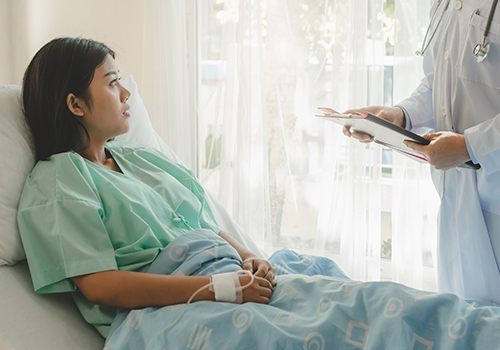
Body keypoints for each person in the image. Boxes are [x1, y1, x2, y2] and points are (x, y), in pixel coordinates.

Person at [17, 37, 275, 338]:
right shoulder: (60, 180)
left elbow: (202, 224)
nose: (126, 93)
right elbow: (100, 285)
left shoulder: (143, 157)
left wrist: (248, 256)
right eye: (113, 83)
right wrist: (221, 288)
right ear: (76, 104)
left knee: (334, 296)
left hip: (233, 277)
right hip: (177, 313)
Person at [343, 0, 500, 304]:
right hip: (457, 199)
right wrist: (400, 115)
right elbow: (437, 82)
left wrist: (470, 146)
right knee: (463, 328)